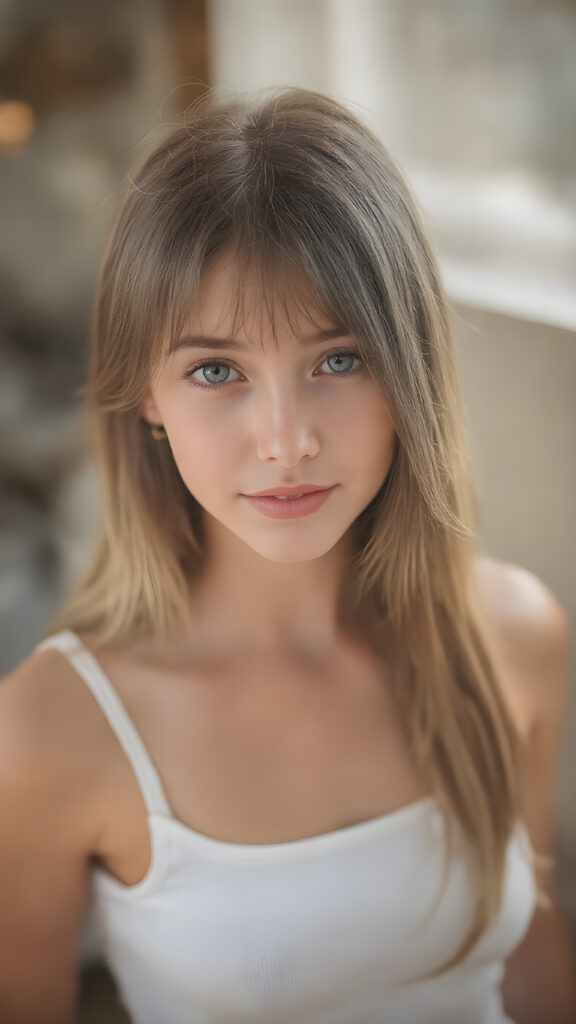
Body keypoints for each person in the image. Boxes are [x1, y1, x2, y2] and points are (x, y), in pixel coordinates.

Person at [0, 87, 574, 1024]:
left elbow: (532, 954)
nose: (285, 440)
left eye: (338, 360)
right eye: (216, 371)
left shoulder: (513, 635)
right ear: (147, 395)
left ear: (409, 367)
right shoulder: (48, 732)